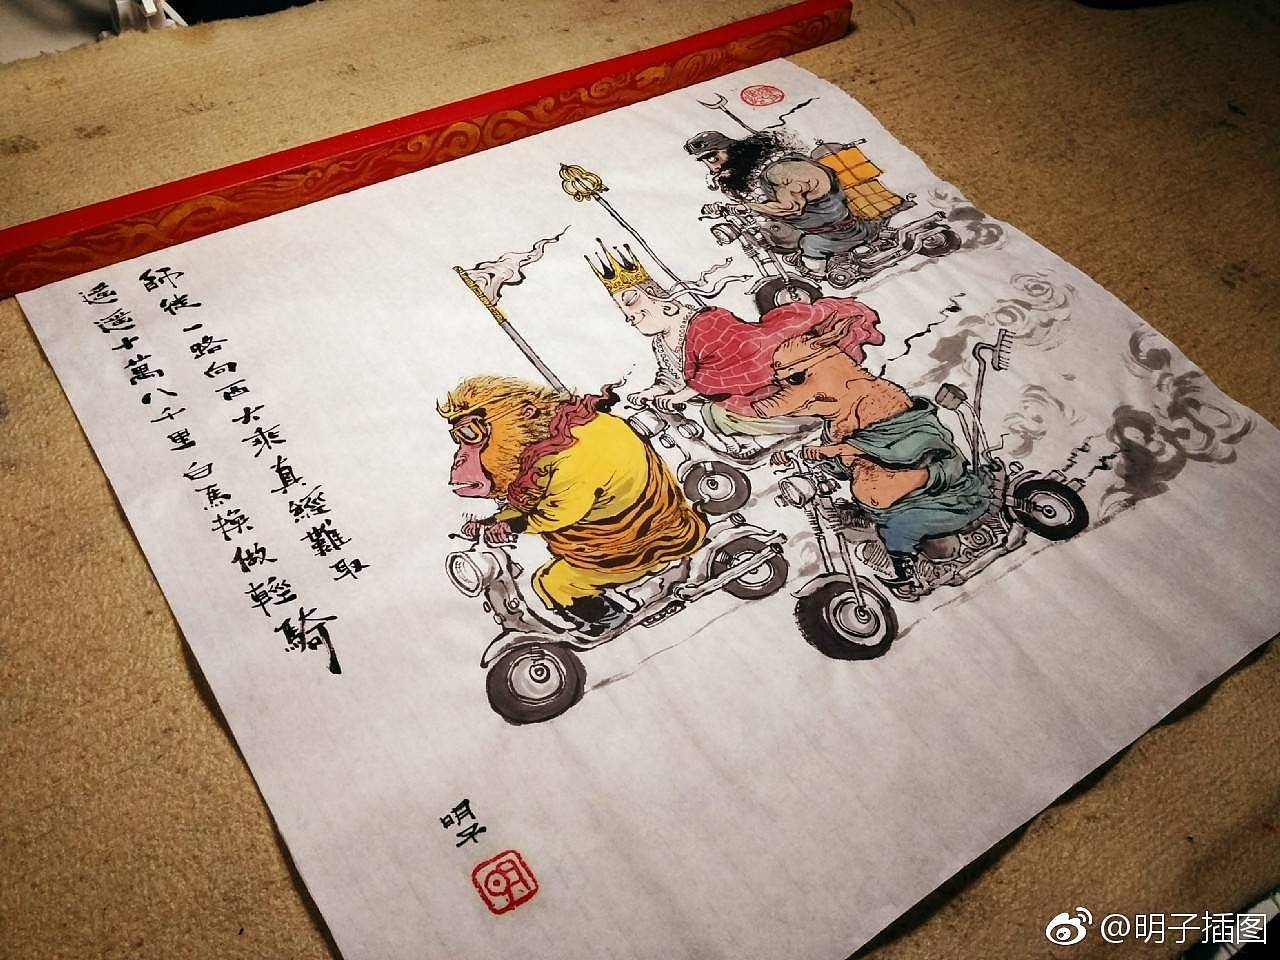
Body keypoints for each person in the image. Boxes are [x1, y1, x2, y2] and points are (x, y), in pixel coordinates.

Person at [588, 240, 882, 440]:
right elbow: (670, 375)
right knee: (714, 417)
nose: (631, 317)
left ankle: (814, 418)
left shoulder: (708, 322)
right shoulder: (660, 344)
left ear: (667, 306)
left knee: (719, 415)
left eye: (634, 305)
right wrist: (654, 392)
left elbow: (747, 356)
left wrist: (684, 395)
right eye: (626, 314)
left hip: (773, 383)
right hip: (730, 399)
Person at [684, 130, 882, 274]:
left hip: (836, 232)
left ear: (735, 149)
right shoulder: (756, 174)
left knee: (812, 262)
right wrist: (727, 209)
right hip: (812, 227)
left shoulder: (778, 170)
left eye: (713, 158)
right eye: (706, 162)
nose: (713, 168)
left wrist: (745, 207)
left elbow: (791, 207)